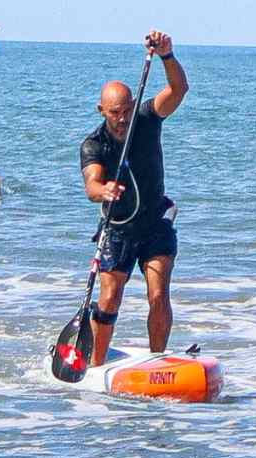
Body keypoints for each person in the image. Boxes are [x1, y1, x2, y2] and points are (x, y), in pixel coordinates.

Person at [80, 30, 188, 366]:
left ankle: (158, 363)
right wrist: (104, 190)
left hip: (155, 222)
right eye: (115, 112)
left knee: (158, 294)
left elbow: (178, 90)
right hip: (119, 229)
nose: (123, 118)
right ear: (102, 110)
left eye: (126, 109)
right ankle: (96, 367)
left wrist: (167, 56)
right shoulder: (94, 143)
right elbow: (91, 185)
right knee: (110, 297)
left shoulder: (146, 118)